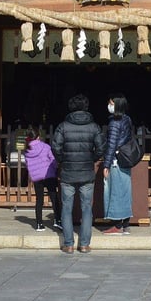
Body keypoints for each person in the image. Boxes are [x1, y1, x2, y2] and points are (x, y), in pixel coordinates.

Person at [51, 93, 104, 254]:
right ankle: (84, 244)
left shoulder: (63, 126)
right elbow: (101, 148)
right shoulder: (94, 127)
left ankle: (68, 244)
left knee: (66, 208)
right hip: (87, 172)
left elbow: (55, 147)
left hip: (67, 172)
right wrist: (91, 159)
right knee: (87, 208)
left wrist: (62, 160)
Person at [101, 94, 134, 234]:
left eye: (111, 103)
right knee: (125, 191)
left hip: (116, 161)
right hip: (125, 160)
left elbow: (111, 145)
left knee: (114, 191)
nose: (109, 106)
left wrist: (106, 165)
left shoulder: (114, 123)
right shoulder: (127, 119)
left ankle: (117, 224)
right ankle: (125, 224)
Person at [22, 129, 61, 231]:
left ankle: (39, 224)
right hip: (49, 175)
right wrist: (55, 170)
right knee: (54, 198)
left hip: (37, 177)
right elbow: (53, 160)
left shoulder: (27, 150)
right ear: (38, 137)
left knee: (39, 200)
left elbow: (27, 164)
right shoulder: (46, 147)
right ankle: (58, 220)